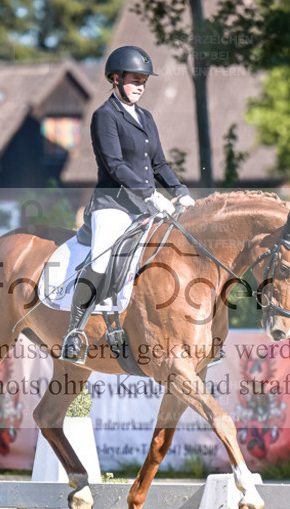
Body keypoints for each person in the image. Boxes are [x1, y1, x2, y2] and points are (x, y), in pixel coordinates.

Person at [61, 45, 195, 363]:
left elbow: (159, 163)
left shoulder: (146, 117)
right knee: (101, 260)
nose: (140, 87)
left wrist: (179, 190)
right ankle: (74, 333)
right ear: (116, 79)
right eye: (135, 80)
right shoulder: (105, 116)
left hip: (145, 204)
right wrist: (149, 192)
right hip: (113, 203)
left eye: (144, 82)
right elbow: (115, 165)